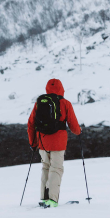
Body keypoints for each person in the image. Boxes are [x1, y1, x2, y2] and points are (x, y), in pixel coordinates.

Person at [27, 78, 81, 207]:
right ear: (62, 89)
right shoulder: (65, 103)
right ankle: (52, 200)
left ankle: (44, 198)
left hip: (42, 142)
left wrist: (33, 143)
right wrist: (79, 131)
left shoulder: (39, 103)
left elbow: (31, 124)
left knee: (45, 167)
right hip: (58, 143)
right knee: (56, 168)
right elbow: (73, 126)